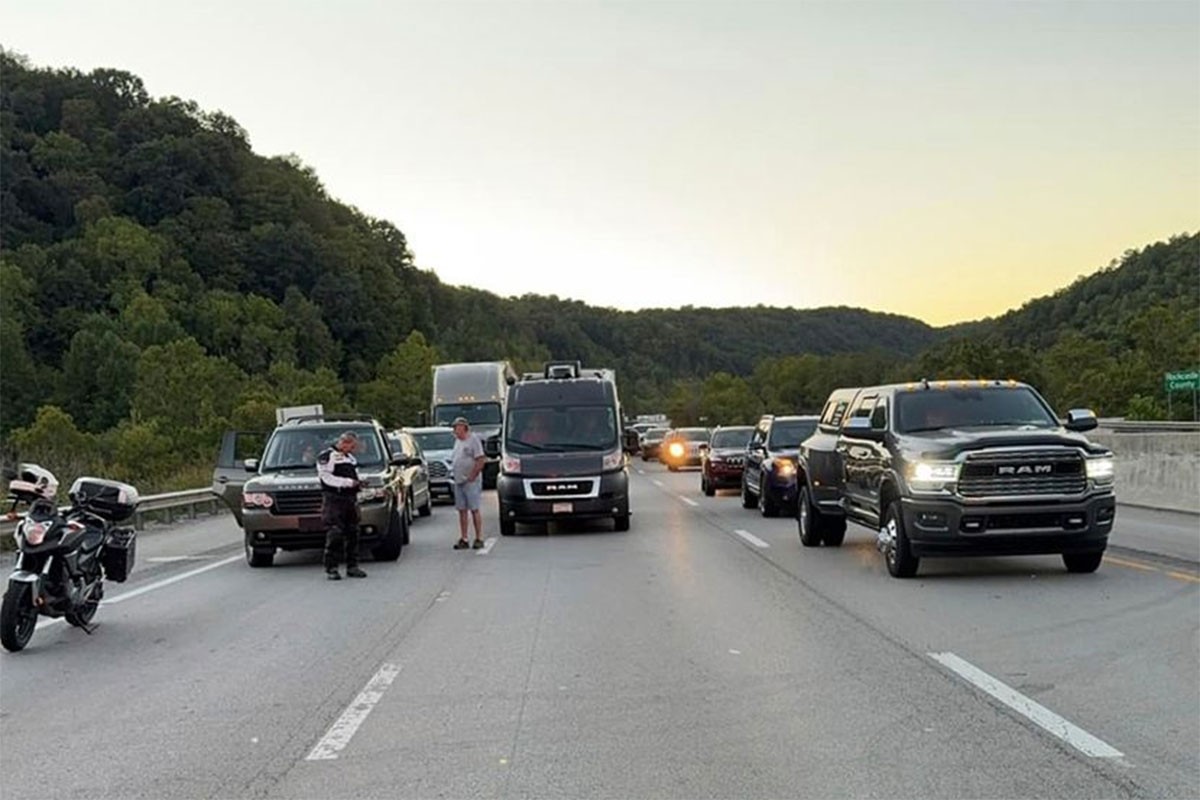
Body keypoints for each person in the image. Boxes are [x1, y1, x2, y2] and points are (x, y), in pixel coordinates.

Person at [317, 431, 367, 580]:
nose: (353, 450)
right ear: (344, 443)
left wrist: (359, 482)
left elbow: (354, 475)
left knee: (353, 532)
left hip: (350, 499)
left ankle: (353, 566)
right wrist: (348, 483)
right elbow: (326, 478)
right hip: (334, 499)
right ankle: (331, 568)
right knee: (335, 533)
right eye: (352, 446)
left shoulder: (350, 458)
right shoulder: (327, 456)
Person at [450, 416, 487, 550]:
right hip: (459, 480)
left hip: (471, 481)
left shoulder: (473, 440)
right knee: (462, 510)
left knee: (474, 509)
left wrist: (473, 475)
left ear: (464, 428)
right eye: (454, 427)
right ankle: (464, 537)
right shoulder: (457, 442)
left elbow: (480, 459)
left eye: (457, 427)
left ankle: (479, 537)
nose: (455, 430)